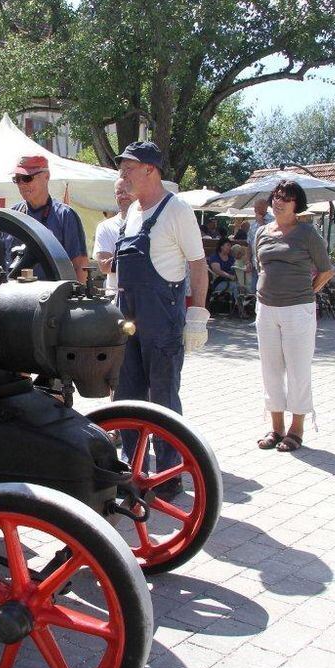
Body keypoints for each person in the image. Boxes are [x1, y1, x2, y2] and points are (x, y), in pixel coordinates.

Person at [113, 142, 209, 498]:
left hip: (162, 318)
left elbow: (198, 266)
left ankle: (169, 474)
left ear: (150, 170)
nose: (122, 175)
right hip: (129, 318)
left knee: (164, 397)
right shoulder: (132, 212)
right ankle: (130, 467)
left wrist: (198, 315)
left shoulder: (177, 210)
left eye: (128, 168)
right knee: (127, 394)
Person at [252, 180, 334, 453]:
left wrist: (307, 294)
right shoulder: (262, 232)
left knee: (298, 369)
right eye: (276, 197)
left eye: (285, 198)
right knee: (270, 369)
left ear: (297, 204)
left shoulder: (307, 233)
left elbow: (325, 270)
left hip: (298, 310)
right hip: (266, 308)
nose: (278, 202)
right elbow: (259, 266)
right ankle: (275, 427)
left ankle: (296, 429)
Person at [9, 155, 89, 283]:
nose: (22, 184)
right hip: (14, 298)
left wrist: (76, 299)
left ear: (47, 176)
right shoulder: (12, 216)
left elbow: (80, 265)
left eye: (27, 178)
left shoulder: (65, 216)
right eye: (17, 179)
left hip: (52, 298)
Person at [93, 179, 133, 295]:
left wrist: (119, 260)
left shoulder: (147, 223)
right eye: (119, 192)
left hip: (145, 296)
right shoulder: (105, 227)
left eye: (127, 191)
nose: (124, 196)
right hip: (116, 297)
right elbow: (105, 267)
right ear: (115, 196)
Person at [246, 196, 274, 298]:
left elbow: (269, 238)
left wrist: (261, 222)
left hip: (267, 264)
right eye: (254, 207)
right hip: (254, 263)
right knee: (254, 291)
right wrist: (248, 261)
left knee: (265, 292)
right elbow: (249, 244)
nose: (254, 210)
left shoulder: (273, 221)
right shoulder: (253, 224)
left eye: (257, 207)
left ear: (265, 207)